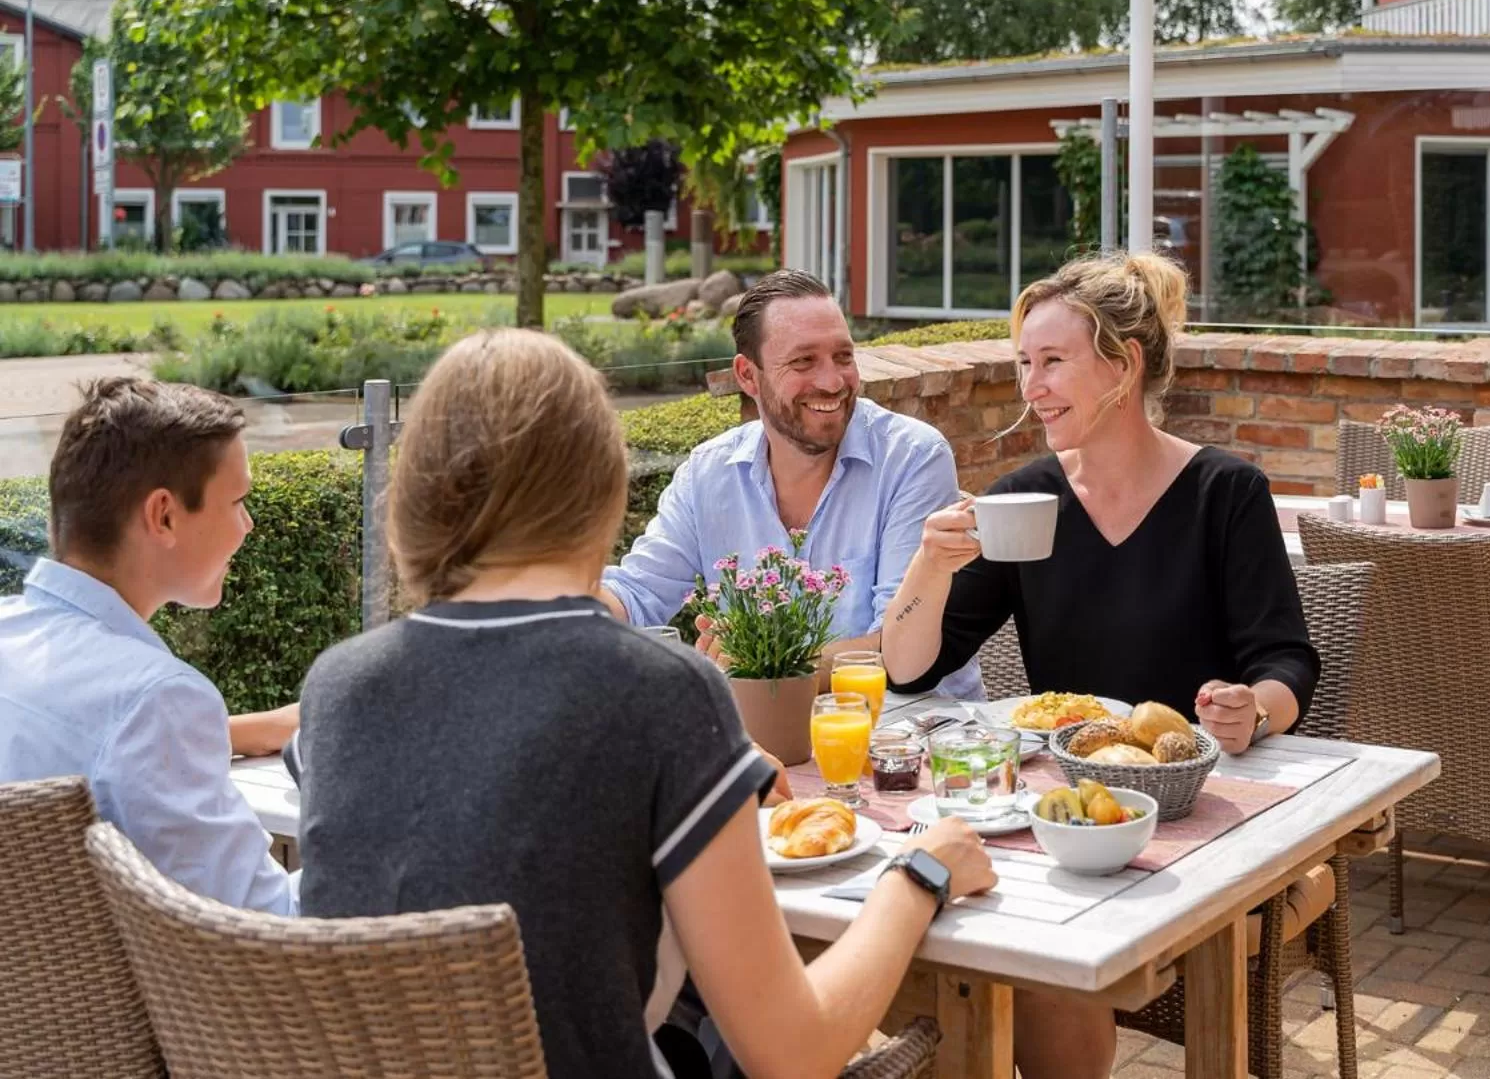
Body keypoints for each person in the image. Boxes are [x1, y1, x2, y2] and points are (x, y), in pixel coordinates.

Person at [297, 329, 995, 1079]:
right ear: (602, 485)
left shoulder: (337, 689)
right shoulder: (663, 693)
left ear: (417, 493)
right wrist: (920, 874)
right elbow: (793, 1054)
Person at [879, 253, 1318, 1079]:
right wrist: (928, 567)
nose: (1031, 386)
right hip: (1064, 818)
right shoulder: (1028, 499)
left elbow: (1287, 658)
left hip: (1196, 819)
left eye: (1052, 361)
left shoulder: (1225, 493)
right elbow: (911, 669)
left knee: (1038, 967)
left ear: (1124, 364)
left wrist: (1253, 709)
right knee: (955, 944)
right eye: (1023, 363)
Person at [600, 269, 983, 699]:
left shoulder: (912, 457)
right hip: (767, 730)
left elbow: (895, 652)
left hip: (913, 730)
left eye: (843, 357)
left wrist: (763, 664)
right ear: (748, 375)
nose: (832, 382)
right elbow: (636, 595)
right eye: (804, 361)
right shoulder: (708, 475)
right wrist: (557, 599)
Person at [0, 377, 295, 914]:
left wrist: (245, 730)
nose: (248, 525)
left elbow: (85, 735)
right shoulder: (157, 701)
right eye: (237, 501)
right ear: (164, 516)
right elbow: (265, 926)